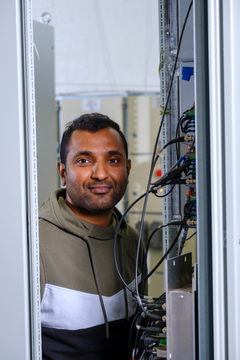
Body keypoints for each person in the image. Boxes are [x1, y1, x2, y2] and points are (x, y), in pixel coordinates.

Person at [39, 112, 146, 360]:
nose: (100, 174)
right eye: (85, 160)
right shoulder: (33, 244)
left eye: (113, 160)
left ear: (127, 169)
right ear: (63, 172)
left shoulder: (132, 240)